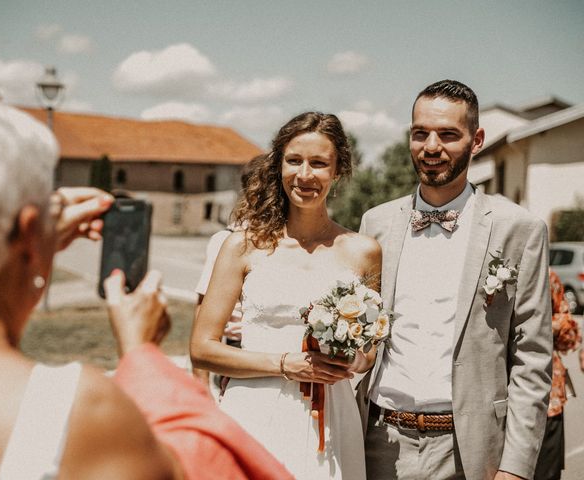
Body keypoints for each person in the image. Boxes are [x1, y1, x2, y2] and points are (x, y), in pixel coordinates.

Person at [0, 96, 292, 480]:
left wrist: (30, 239)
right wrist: (141, 354)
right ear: (28, 233)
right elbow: (209, 466)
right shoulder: (68, 410)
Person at [356, 80, 553, 480]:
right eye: (420, 133)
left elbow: (532, 355)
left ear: (476, 140)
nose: (431, 147)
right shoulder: (374, 224)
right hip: (377, 440)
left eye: (448, 134)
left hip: (470, 449)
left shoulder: (519, 228)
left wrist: (515, 468)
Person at [190, 111, 381, 479]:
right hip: (253, 410)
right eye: (294, 161)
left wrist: (349, 357)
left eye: (319, 163)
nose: (305, 175)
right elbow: (202, 348)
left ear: (337, 170)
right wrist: (284, 364)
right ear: (278, 166)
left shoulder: (363, 251)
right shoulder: (242, 247)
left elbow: (367, 354)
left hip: (332, 419)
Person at [192, 154, 268, 387]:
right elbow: (202, 309)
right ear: (254, 195)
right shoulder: (227, 241)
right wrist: (201, 383)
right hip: (240, 348)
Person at [535, 269, 581, 480]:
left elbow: (568, 334)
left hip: (548, 398)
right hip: (542, 396)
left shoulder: (546, 275)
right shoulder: (545, 273)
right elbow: (569, 335)